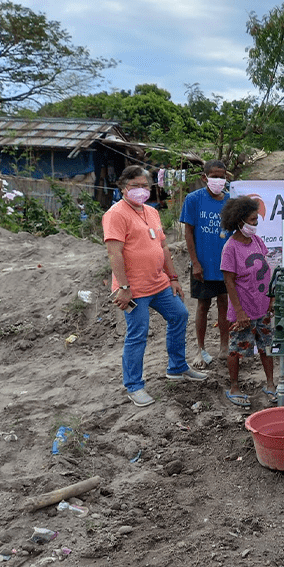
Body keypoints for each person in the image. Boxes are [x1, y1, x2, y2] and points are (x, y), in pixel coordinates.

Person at [103, 166, 207, 407]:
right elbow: (114, 253)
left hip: (158, 283)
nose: (141, 190)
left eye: (145, 185)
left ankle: (177, 367)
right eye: (135, 185)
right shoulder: (116, 214)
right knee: (138, 333)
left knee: (179, 314)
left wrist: (173, 277)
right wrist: (124, 287)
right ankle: (134, 386)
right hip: (133, 288)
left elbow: (163, 247)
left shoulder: (151, 212)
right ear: (123, 187)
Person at [219, 196, 275, 407]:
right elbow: (229, 282)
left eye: (256, 220)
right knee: (236, 349)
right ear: (239, 220)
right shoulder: (230, 248)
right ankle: (234, 387)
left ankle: (270, 384)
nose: (255, 224)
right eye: (251, 220)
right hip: (243, 309)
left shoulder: (258, 241)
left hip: (261, 306)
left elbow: (266, 271)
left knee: (266, 347)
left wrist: (270, 298)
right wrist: (240, 312)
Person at [180, 159, 230, 366]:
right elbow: (189, 232)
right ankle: (200, 349)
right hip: (203, 264)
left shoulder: (230, 201)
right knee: (203, 305)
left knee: (225, 304)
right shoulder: (193, 200)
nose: (218, 180)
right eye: (214, 176)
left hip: (226, 265)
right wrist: (195, 262)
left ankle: (224, 347)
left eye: (222, 176)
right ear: (205, 178)